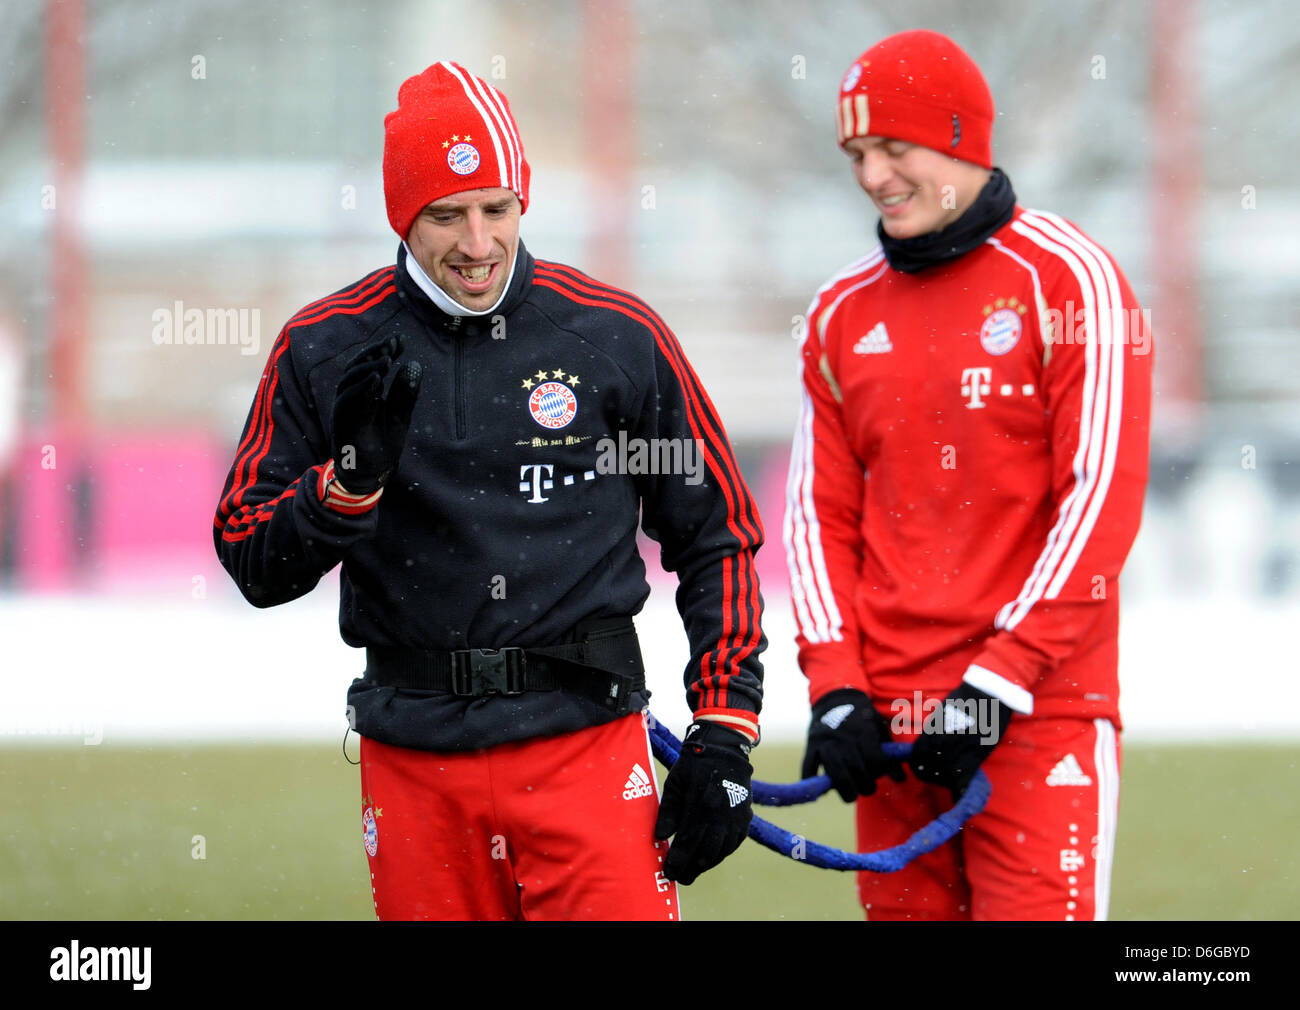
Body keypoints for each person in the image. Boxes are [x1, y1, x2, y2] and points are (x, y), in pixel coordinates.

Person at [213, 61, 765, 921]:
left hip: (587, 748)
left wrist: (725, 732)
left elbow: (715, 537)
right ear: (403, 216)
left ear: (521, 201)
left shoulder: (616, 337)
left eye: (495, 208)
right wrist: (347, 487)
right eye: (445, 215)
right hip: (414, 763)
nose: (476, 243)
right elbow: (251, 559)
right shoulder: (323, 347)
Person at [786, 29, 1151, 921]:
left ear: (960, 140)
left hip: (1037, 716)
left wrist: (997, 686)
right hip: (891, 729)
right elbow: (815, 518)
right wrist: (835, 687)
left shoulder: (1070, 282)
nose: (873, 176)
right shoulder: (838, 313)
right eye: (857, 154)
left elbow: (1099, 506)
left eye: (894, 148)